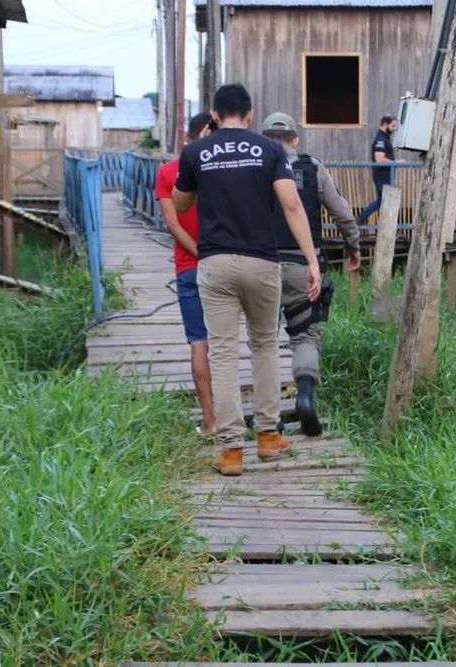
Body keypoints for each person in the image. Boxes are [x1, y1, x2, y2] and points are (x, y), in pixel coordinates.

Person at [172, 83, 322, 477]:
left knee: (222, 352)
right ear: (250, 113)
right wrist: (311, 260)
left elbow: (181, 202)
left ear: (214, 115)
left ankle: (231, 450)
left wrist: (200, 158)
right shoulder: (270, 150)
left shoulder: (196, 152)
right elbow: (291, 205)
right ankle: (269, 436)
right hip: (262, 262)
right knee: (266, 345)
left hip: (215, 262)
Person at [261, 112, 361, 437]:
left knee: (262, 340)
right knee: (305, 334)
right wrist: (353, 245)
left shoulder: (254, 168)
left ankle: (268, 417)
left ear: (263, 139)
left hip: (261, 265)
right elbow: (341, 212)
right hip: (302, 267)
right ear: (295, 139)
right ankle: (304, 396)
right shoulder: (313, 168)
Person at [155, 112, 217, 436]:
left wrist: (197, 253)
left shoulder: (167, 172)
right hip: (222, 266)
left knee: (198, 343)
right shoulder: (218, 168)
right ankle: (233, 416)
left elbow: (172, 224)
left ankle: (210, 421)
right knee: (226, 344)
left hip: (188, 268)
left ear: (186, 138)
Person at [356, 114, 402, 223]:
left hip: (384, 175)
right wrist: (396, 162)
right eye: (392, 126)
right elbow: (379, 159)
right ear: (385, 124)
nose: (394, 129)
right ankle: (361, 218)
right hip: (383, 176)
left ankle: (360, 218)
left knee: (382, 201)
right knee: (387, 201)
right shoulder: (380, 139)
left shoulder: (384, 138)